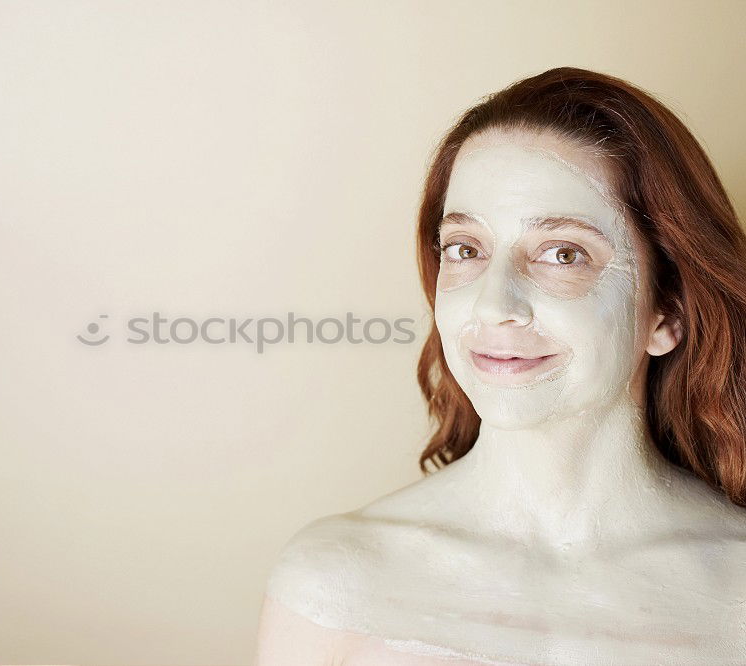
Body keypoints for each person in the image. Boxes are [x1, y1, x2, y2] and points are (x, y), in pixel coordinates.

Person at [253, 67, 746, 665]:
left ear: (666, 311)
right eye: (466, 249)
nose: (493, 305)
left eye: (562, 253)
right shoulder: (333, 585)